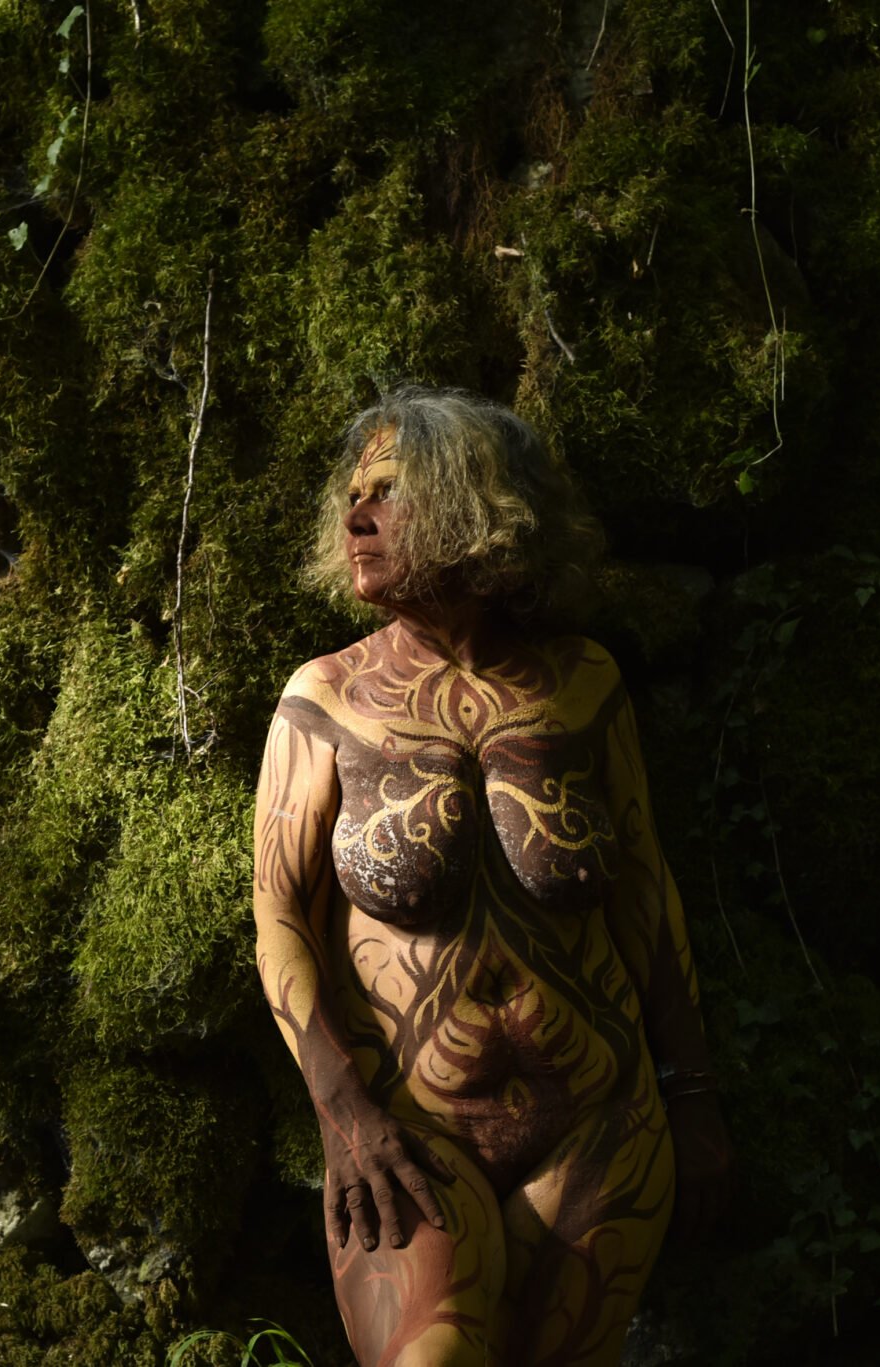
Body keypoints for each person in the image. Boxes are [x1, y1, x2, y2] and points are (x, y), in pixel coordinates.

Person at [251, 386, 732, 1366]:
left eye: (389, 491)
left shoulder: (584, 685)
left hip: (603, 1124)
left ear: (474, 504)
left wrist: (691, 1092)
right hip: (411, 1136)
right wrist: (343, 1116)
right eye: (352, 495)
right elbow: (279, 916)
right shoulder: (323, 700)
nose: (356, 514)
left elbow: (644, 890)